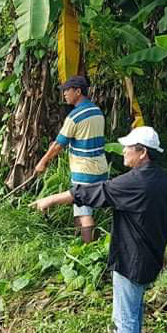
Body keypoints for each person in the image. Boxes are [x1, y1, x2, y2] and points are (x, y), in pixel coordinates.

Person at [31, 127, 167, 333]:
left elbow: (93, 192)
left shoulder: (135, 182)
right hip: (152, 255)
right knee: (135, 307)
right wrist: (162, 251)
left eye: (128, 148)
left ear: (142, 153)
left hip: (132, 258)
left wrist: (50, 200)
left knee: (126, 316)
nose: (124, 151)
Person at [34, 75, 108, 243]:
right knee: (79, 205)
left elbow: (58, 144)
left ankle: (89, 251)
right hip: (100, 168)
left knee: (84, 212)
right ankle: (78, 243)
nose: (65, 94)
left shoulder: (75, 116)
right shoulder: (97, 111)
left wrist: (42, 162)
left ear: (78, 91)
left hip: (84, 171)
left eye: (67, 91)